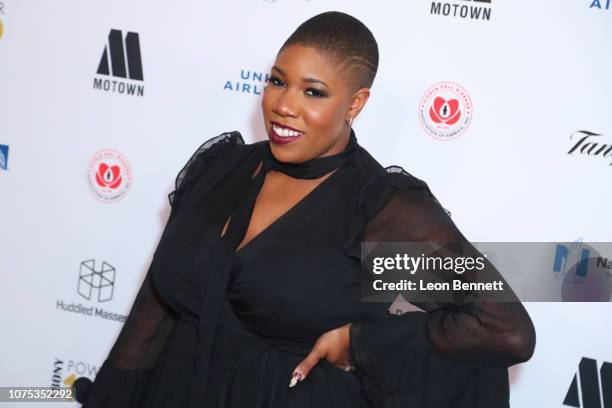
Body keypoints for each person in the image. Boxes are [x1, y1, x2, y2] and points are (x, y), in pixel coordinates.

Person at [81, 11, 535, 408]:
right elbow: (155, 309)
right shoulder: (224, 168)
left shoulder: (379, 210)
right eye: (278, 81)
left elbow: (503, 328)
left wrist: (359, 343)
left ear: (355, 103)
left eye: (313, 93)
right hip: (176, 390)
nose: (284, 106)